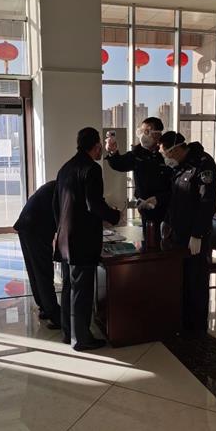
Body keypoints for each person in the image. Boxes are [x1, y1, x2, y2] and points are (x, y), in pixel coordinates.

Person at [53, 127, 121, 351]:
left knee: (69, 288)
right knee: (82, 291)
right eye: (100, 145)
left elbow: (56, 204)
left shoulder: (66, 167)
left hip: (65, 238)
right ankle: (81, 338)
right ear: (97, 145)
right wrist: (114, 216)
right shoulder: (91, 169)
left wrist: (60, 230)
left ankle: (68, 333)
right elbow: (94, 204)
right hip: (82, 240)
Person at [159, 131, 216, 334]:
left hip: (195, 236)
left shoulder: (203, 164)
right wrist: (166, 221)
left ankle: (197, 329)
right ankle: (183, 324)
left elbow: (207, 201)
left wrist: (198, 234)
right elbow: (176, 196)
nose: (165, 158)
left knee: (196, 280)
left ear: (176, 149)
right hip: (178, 233)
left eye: (166, 153)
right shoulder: (181, 165)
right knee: (182, 279)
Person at [105, 117, 172, 241]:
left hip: (166, 209)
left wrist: (159, 199)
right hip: (145, 208)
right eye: (141, 131)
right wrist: (113, 152)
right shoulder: (138, 153)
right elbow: (119, 164)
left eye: (147, 131)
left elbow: (176, 185)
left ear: (157, 134)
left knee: (166, 243)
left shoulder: (167, 152)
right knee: (150, 240)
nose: (142, 135)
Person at [12, 181, 61, 329]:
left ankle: (44, 307)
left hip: (26, 226)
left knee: (35, 271)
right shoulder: (65, 190)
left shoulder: (55, 185)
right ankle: (55, 316)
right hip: (36, 229)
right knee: (43, 273)